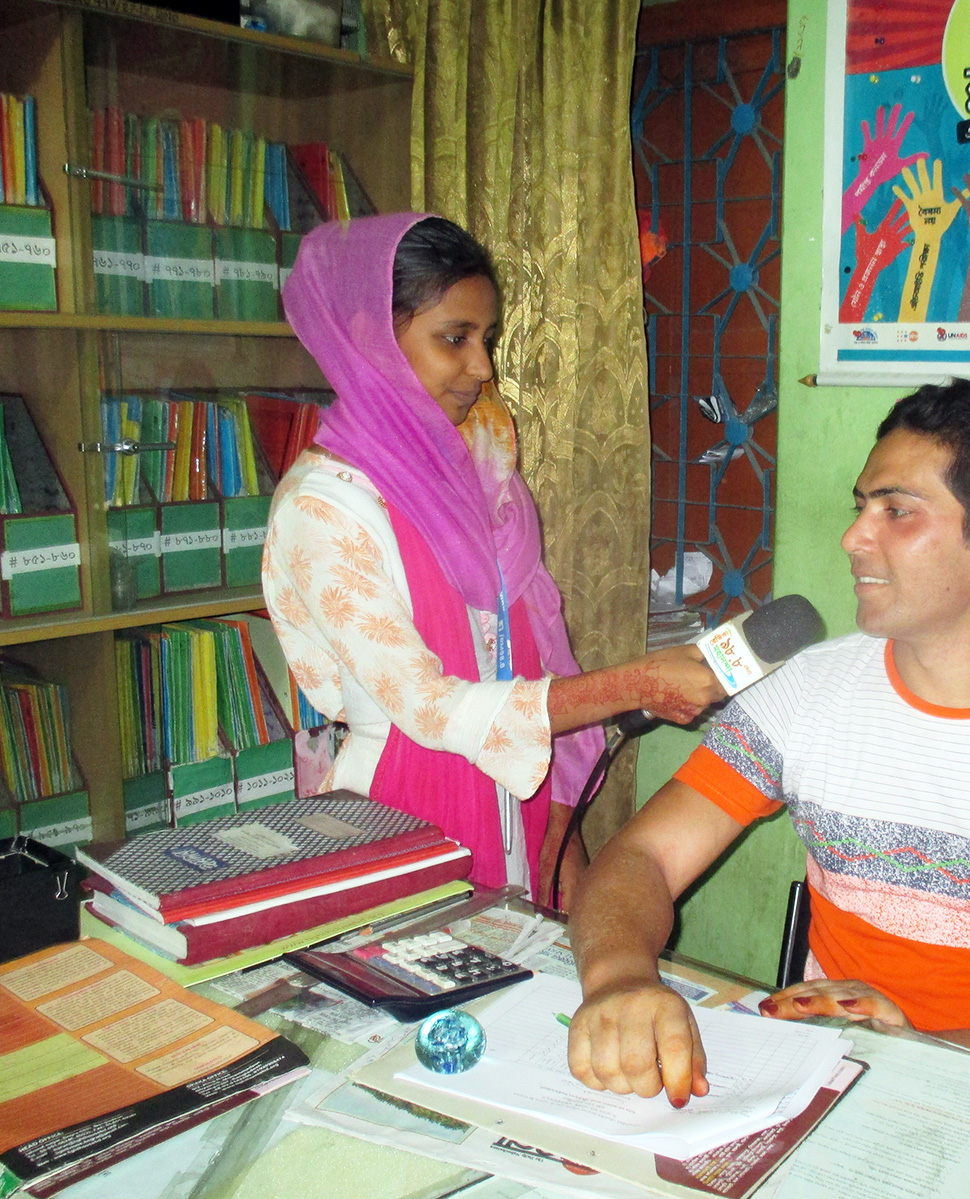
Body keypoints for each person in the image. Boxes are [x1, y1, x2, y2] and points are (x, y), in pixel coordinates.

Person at [566, 379, 970, 1099]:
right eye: (860, 507)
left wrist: (914, 1057)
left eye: (897, 511)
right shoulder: (806, 692)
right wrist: (620, 978)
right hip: (825, 1083)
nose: (853, 538)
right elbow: (643, 857)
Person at [264, 213, 721, 906]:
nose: (482, 368)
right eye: (455, 339)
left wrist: (560, 819)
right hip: (396, 815)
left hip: (513, 795)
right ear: (368, 338)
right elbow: (428, 707)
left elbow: (531, 649)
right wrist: (636, 684)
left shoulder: (478, 474)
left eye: (486, 339)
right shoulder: (323, 508)